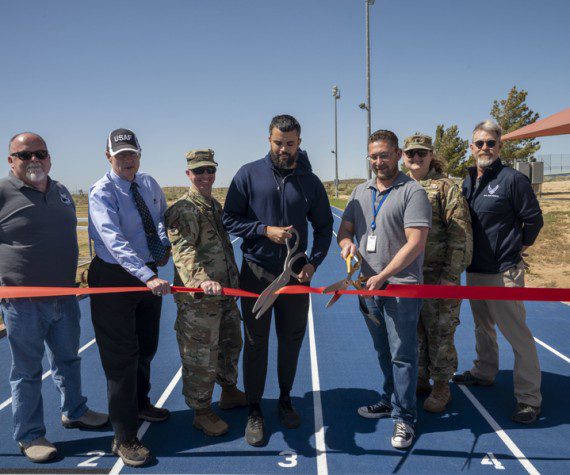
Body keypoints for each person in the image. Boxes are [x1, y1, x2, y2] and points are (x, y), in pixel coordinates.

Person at [223, 114, 333, 446]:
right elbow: (230, 218)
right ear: (267, 140)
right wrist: (263, 230)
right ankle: (255, 408)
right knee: (255, 343)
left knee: (290, 340)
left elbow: (324, 227)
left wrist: (313, 263)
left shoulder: (310, 182)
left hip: (296, 277)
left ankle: (285, 399)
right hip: (256, 274)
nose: (284, 149)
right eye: (278, 142)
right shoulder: (248, 174)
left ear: (299, 142)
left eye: (290, 143)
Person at [0, 132, 108, 463]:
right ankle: (30, 434)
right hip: (23, 303)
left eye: (40, 153)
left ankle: (74, 410)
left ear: (49, 158)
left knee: (68, 359)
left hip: (65, 296)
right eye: (25, 154)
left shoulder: (60, 191)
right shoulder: (3, 193)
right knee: (28, 371)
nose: (34, 159)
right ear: (11, 161)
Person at [337, 129, 431, 449]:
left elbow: (416, 242)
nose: (379, 161)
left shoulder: (412, 191)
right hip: (367, 288)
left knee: (403, 354)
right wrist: (347, 245)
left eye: (384, 155)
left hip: (401, 288)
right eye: (373, 156)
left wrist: (385, 275)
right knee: (383, 350)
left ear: (398, 154)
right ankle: (390, 399)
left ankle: (404, 417)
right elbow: (345, 230)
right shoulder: (360, 191)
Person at [88, 128, 171, 467]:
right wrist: (148, 275)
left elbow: (159, 219)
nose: (126, 160)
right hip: (115, 277)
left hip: (148, 271)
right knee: (121, 357)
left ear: (139, 154)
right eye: (119, 155)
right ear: (108, 156)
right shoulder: (101, 192)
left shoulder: (149, 184)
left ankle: (141, 403)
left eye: (131, 154)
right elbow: (114, 241)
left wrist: (162, 246)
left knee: (147, 345)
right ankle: (124, 436)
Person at [453, 120, 544, 424]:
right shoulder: (467, 180)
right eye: (479, 143)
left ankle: (529, 399)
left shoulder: (513, 180)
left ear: (500, 146)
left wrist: (518, 248)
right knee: (482, 327)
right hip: (475, 270)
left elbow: (534, 221)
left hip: (504, 271)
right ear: (471, 147)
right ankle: (484, 372)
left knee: (517, 336)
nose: (485, 148)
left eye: (491, 143)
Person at [165, 149, 247, 437]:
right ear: (188, 174)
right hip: (200, 301)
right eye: (198, 171)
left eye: (209, 169)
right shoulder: (183, 209)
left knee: (230, 343)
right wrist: (200, 280)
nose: (205, 176)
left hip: (224, 295)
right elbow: (183, 252)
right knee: (201, 356)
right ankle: (201, 411)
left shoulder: (214, 205)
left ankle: (229, 391)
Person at [403, 133, 472, 413]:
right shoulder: (403, 186)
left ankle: (442, 385)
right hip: (409, 277)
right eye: (411, 154)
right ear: (404, 157)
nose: (416, 158)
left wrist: (451, 276)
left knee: (441, 333)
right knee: (415, 332)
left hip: (439, 277)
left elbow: (460, 233)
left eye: (422, 153)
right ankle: (420, 378)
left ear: (431, 155)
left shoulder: (445, 187)